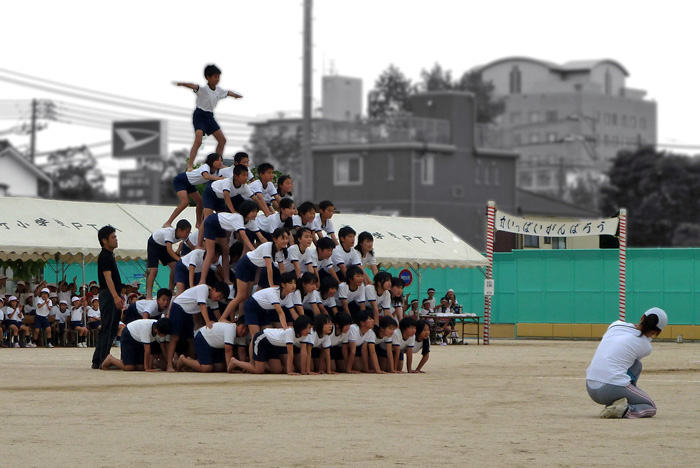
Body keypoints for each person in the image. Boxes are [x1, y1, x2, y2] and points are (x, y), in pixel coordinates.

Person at [586, 308, 667, 419]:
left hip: (590, 387)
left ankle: (618, 403)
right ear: (656, 332)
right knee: (650, 407)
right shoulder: (646, 346)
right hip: (610, 388)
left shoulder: (615, 325)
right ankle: (625, 409)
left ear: (642, 317)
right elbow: (639, 344)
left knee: (634, 364)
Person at [175, 64, 243, 171]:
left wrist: (236, 96)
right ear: (208, 77)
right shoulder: (203, 90)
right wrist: (183, 84)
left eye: (218, 77)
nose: (217, 79)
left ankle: (217, 163)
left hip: (210, 117)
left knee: (222, 140)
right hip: (199, 116)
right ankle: (190, 165)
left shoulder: (219, 91)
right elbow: (194, 86)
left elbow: (228, 92)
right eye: (215, 77)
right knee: (198, 140)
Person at [218, 229, 290, 322]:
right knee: (241, 295)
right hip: (245, 265)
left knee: (247, 296)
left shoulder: (280, 252)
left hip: (253, 268)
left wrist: (285, 283)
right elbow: (269, 268)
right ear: (275, 239)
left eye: (287, 239)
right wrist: (271, 284)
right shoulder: (267, 247)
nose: (285, 241)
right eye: (283, 238)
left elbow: (282, 270)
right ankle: (223, 318)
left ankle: (242, 318)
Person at [166, 282, 229, 372]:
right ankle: (169, 364)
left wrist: (225, 322)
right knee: (175, 337)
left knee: (191, 339)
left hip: (189, 312)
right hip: (178, 307)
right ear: (214, 289)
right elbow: (202, 305)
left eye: (221, 298)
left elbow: (218, 316)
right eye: (219, 296)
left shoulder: (213, 300)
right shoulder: (203, 288)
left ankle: (192, 363)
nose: (218, 299)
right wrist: (207, 322)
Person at [198, 201, 260, 286]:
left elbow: (261, 237)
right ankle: (202, 281)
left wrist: (271, 246)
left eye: (256, 211)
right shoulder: (238, 218)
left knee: (225, 252)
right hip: (212, 222)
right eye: (253, 211)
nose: (255, 214)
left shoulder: (250, 222)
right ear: (246, 211)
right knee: (210, 252)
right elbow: (243, 236)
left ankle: (226, 279)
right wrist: (253, 249)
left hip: (221, 226)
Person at [227, 315, 313, 375]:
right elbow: (290, 353)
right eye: (308, 328)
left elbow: (304, 353)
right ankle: (235, 362)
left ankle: (260, 361)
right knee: (258, 370)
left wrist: (305, 371)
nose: (309, 330)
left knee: (277, 370)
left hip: (273, 344)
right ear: (301, 327)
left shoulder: (304, 335)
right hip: (262, 339)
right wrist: (289, 371)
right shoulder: (290, 332)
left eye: (310, 328)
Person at [92, 225, 124, 370]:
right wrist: (116, 296)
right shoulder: (105, 256)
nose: (116, 239)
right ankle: (103, 359)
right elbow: (108, 278)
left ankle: (97, 359)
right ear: (104, 240)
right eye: (113, 237)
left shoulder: (109, 255)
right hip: (109, 294)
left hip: (110, 294)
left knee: (108, 327)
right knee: (109, 328)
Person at [164, 152, 224, 229]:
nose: (220, 162)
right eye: (218, 160)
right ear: (212, 161)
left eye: (221, 160)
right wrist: (219, 178)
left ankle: (198, 223)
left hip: (191, 183)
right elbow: (206, 176)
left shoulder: (217, 170)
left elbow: (227, 168)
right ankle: (168, 222)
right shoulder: (205, 167)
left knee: (200, 202)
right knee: (185, 202)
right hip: (182, 180)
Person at [101, 318, 171, 372]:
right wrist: (147, 369)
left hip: (139, 340)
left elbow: (160, 347)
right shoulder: (146, 328)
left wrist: (169, 363)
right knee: (129, 367)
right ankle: (110, 359)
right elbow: (147, 350)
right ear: (157, 331)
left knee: (141, 367)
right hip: (128, 336)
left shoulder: (159, 326)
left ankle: (120, 363)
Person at [146, 221, 192, 299]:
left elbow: (191, 246)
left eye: (189, 232)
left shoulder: (183, 236)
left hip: (164, 246)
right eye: (187, 232)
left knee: (175, 266)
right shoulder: (169, 233)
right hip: (154, 244)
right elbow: (169, 250)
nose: (187, 234)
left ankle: (170, 289)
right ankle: (149, 294)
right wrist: (179, 259)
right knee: (154, 270)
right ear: (180, 230)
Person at [242, 272, 297, 336]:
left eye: (295, 283)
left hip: (263, 309)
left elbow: (293, 313)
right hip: (252, 307)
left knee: (268, 335)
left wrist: (303, 324)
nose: (293, 285)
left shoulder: (288, 296)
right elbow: (280, 312)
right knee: (255, 336)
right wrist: (285, 327)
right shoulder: (274, 293)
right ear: (283, 284)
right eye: (290, 283)